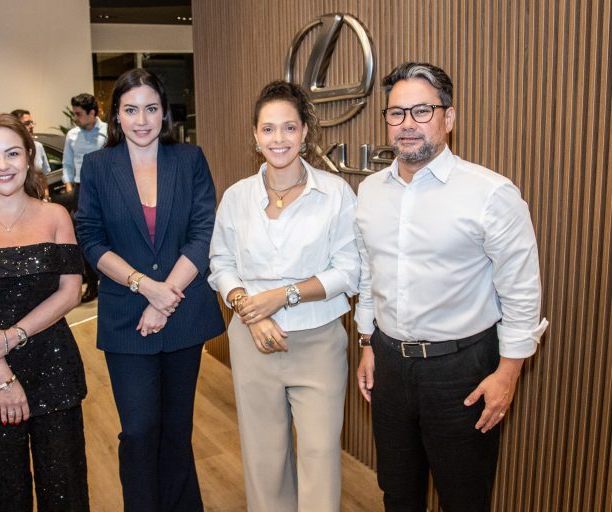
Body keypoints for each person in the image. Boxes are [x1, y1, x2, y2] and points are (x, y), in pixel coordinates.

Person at [354, 62, 549, 512]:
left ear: (449, 117)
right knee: (397, 493)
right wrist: (367, 341)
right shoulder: (370, 192)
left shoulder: (490, 193)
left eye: (422, 111)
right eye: (396, 113)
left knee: (464, 498)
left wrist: (508, 374)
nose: (407, 125)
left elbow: (521, 292)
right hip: (389, 363)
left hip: (463, 370)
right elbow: (370, 273)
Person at [209, 80, 362, 512]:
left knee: (319, 456)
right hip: (252, 341)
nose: (279, 139)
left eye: (289, 128)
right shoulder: (237, 198)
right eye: (269, 129)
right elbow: (221, 264)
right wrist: (251, 312)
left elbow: (348, 271)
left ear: (305, 133)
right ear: (255, 136)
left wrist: (283, 296)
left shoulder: (335, 194)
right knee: (265, 458)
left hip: (318, 341)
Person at [75, 68, 224, 512]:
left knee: (177, 429)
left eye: (152, 108)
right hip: (126, 316)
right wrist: (145, 287)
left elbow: (203, 231)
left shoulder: (189, 158)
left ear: (165, 112)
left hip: (183, 313)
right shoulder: (99, 166)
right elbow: (91, 238)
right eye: (131, 109)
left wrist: (166, 296)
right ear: (116, 116)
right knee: (139, 429)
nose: (142, 120)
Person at [0, 113, 89, 511]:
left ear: (29, 157)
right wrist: (4, 378)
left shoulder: (55, 216)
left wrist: (12, 336)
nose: (3, 165)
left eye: (12, 153)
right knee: (2, 494)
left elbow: (70, 292)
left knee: (66, 488)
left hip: (53, 365)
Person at [63, 93, 107, 302]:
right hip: (81, 190)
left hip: (106, 189)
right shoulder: (72, 135)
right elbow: (68, 164)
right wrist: (70, 187)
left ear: (92, 113)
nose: (75, 118)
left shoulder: (109, 133)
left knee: (108, 236)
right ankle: (91, 284)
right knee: (84, 238)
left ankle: (111, 279)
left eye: (79, 114)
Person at [11, 108, 51, 174]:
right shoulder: (9, 150)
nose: (31, 126)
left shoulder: (37, 146)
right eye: (27, 123)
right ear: (15, 126)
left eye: (32, 123)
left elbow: (46, 173)